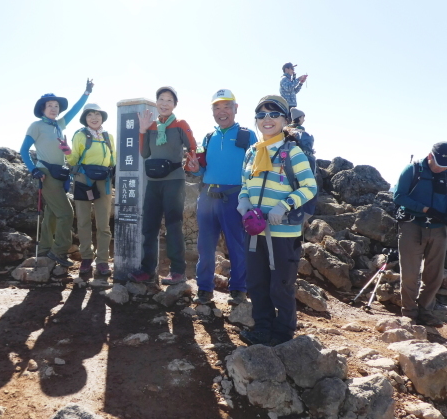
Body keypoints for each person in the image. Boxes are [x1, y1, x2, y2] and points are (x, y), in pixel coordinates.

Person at [238, 95, 317, 346]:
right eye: (261, 115)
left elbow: (309, 187)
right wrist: (243, 202)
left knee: (281, 286)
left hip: (283, 234)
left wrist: (284, 205)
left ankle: (283, 334)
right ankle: (262, 328)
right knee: (257, 283)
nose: (267, 119)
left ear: (285, 119)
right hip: (255, 232)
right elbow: (244, 185)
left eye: (273, 114)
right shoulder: (252, 152)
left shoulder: (292, 152)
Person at [185, 89, 257, 305]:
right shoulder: (209, 137)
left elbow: (255, 169)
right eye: (217, 107)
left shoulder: (247, 135)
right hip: (207, 196)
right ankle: (204, 290)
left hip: (235, 197)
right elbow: (200, 170)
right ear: (212, 111)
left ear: (236, 109)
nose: (221, 111)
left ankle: (238, 290)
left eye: (226, 106)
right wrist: (195, 168)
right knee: (205, 246)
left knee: (236, 245)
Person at [20, 79, 94, 267]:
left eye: (56, 106)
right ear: (42, 109)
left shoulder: (60, 124)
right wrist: (34, 170)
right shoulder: (36, 126)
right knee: (66, 213)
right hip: (45, 173)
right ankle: (59, 251)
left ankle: (44, 249)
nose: (54, 108)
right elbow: (24, 150)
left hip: (60, 175)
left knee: (52, 214)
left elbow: (75, 111)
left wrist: (86, 93)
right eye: (49, 106)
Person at [128, 86, 197, 285]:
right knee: (149, 226)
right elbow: (144, 154)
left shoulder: (180, 124)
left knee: (174, 226)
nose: (164, 103)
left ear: (175, 105)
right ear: (156, 103)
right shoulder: (150, 126)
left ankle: (178, 271)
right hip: (154, 183)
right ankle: (147, 270)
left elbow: (192, 146)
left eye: (169, 100)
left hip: (174, 181)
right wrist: (142, 130)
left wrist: (190, 161)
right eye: (161, 99)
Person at [393, 142, 447, 327]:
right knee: (410, 273)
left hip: (439, 229)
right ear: (430, 156)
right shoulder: (413, 169)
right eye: (439, 164)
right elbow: (398, 196)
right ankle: (409, 313)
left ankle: (425, 312)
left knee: (435, 275)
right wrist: (424, 209)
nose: (442, 168)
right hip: (412, 225)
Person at [67, 103, 116, 277]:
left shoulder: (108, 136)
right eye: (90, 115)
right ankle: (87, 257)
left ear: (102, 117)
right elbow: (73, 161)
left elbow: (113, 161)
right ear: (85, 118)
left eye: (97, 114)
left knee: (103, 224)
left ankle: (102, 260)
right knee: (83, 221)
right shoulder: (80, 135)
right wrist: (66, 152)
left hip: (104, 181)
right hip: (83, 180)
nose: (94, 118)